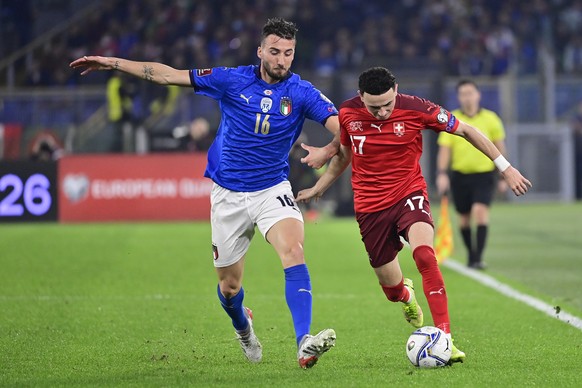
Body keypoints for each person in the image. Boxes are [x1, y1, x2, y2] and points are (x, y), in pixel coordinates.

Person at [70, 18, 339, 369]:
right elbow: (166, 74)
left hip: (272, 188)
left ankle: (304, 341)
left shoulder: (302, 93)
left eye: (288, 53)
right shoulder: (231, 79)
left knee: (294, 250)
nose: (281, 60)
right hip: (227, 193)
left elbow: (345, 130)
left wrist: (328, 150)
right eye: (274, 52)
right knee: (229, 288)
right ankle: (244, 328)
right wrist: (111, 63)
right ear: (260, 51)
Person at [297, 67, 532, 364]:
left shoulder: (418, 108)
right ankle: (405, 296)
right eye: (374, 107)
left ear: (396, 90)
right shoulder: (347, 113)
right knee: (391, 289)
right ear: (360, 98)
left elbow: (467, 131)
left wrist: (506, 168)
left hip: (410, 193)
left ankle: (446, 339)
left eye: (387, 104)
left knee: (424, 255)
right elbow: (345, 153)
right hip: (370, 207)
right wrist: (320, 185)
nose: (382, 112)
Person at [435, 80, 508, 269]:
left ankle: (478, 258)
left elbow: (500, 147)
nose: (467, 97)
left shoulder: (491, 119)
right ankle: (471, 254)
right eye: (463, 94)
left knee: (480, 211)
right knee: (464, 219)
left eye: (470, 93)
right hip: (460, 175)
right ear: (459, 97)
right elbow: (445, 150)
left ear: (478, 95)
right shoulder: (453, 120)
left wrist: (503, 175)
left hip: (484, 175)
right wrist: (442, 173)